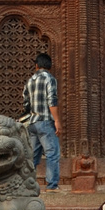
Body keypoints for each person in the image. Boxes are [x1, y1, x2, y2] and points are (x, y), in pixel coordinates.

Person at [22, 52, 63, 191]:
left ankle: (26, 184)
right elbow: (52, 100)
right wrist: (57, 120)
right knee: (52, 153)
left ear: (36, 65)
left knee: (32, 156)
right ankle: (52, 185)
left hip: (32, 123)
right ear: (49, 66)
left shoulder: (30, 81)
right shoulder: (49, 79)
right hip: (45, 121)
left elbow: (26, 103)